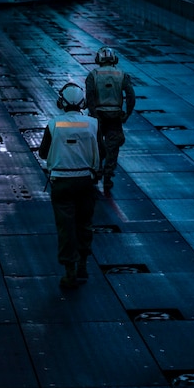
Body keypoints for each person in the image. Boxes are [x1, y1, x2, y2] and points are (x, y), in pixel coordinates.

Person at [38, 83, 101, 289]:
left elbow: (43, 153)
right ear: (82, 102)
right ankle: (83, 263)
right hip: (85, 181)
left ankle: (69, 271)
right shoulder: (92, 124)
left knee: (66, 227)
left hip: (62, 182)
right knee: (84, 223)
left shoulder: (54, 124)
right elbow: (103, 152)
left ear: (61, 102)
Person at [85, 46, 135, 192]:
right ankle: (108, 176)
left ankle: (97, 171)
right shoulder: (122, 74)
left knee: (96, 145)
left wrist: (93, 114)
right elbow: (131, 96)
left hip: (98, 116)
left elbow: (89, 97)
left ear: (98, 59)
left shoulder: (93, 75)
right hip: (115, 117)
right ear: (114, 59)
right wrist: (127, 113)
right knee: (113, 147)